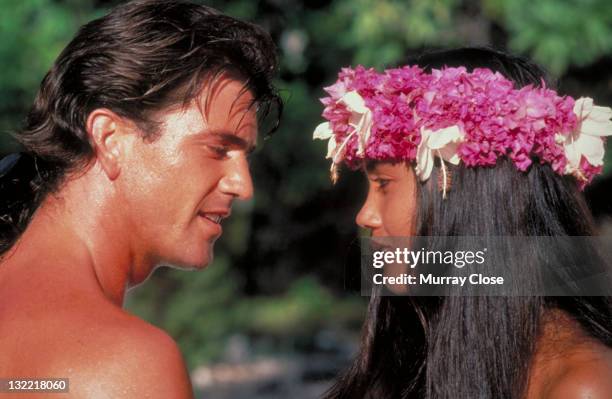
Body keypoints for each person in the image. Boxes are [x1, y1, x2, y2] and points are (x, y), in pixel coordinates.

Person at [0, 0, 280, 397]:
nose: (242, 185)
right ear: (111, 139)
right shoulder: (127, 365)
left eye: (244, 157)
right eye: (218, 149)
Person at [313, 48, 612, 398]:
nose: (364, 215)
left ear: (467, 193)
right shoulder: (417, 344)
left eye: (383, 184)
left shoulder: (581, 385)